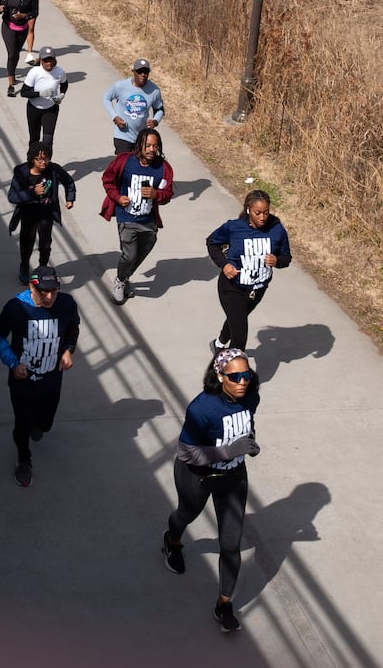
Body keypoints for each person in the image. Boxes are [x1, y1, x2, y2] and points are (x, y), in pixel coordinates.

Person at [163, 349, 261, 633]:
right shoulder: (202, 408)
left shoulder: (251, 396)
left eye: (247, 375)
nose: (243, 381)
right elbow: (186, 452)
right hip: (197, 476)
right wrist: (229, 450)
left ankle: (224, 603)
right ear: (220, 376)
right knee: (186, 515)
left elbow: (245, 424)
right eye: (235, 377)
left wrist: (249, 443)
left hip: (233, 477)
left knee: (231, 543)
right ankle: (173, 541)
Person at [0, 266, 79, 488]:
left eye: (54, 291)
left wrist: (68, 350)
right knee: (22, 423)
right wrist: (12, 363)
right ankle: (23, 459)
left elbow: (73, 329)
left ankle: (37, 425)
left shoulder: (67, 304)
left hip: (52, 380)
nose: (49, 297)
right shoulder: (16, 307)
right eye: (44, 292)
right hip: (22, 383)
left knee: (44, 425)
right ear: (32, 287)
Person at [206, 190, 292, 353]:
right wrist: (224, 265)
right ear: (248, 209)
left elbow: (286, 257)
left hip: (257, 290)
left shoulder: (277, 229)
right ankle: (231, 374)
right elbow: (212, 242)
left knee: (237, 320)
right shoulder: (234, 227)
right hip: (232, 287)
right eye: (257, 213)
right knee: (240, 335)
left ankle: (219, 344)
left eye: (266, 212)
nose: (262, 217)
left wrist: (277, 261)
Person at [100, 128, 174, 305]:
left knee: (144, 250)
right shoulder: (124, 161)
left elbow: (167, 194)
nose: (151, 149)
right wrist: (117, 197)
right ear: (139, 145)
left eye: (154, 146)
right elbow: (107, 179)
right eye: (147, 145)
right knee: (129, 255)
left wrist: (156, 194)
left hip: (148, 220)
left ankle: (124, 278)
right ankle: (119, 281)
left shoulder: (163, 168)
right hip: (126, 217)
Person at [8, 142, 76, 285]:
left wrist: (70, 198)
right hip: (28, 214)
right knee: (27, 242)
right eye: (39, 159)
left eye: (46, 158)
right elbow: (12, 196)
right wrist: (33, 193)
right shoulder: (22, 173)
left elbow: (69, 181)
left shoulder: (54, 170)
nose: (43, 162)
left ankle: (42, 268)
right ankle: (24, 265)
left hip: (46, 214)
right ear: (32, 159)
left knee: (45, 244)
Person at [102, 58, 165, 154]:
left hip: (141, 137)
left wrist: (156, 120)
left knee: (140, 166)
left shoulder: (154, 90)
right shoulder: (121, 86)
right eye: (140, 71)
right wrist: (114, 117)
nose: (143, 75)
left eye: (146, 72)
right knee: (124, 165)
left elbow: (159, 109)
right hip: (122, 136)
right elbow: (106, 98)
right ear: (134, 72)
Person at [20, 46, 68, 154]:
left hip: (50, 109)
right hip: (34, 109)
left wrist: (61, 95)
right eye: (46, 60)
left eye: (51, 59)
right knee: (34, 140)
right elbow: (24, 92)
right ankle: (31, 165)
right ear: (41, 60)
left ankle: (47, 166)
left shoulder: (60, 72)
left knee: (48, 141)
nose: (49, 63)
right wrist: (40, 94)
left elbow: (64, 85)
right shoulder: (35, 72)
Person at [0, 0, 38, 97]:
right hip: (8, 26)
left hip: (22, 29)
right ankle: (10, 85)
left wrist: (24, 15)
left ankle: (13, 74)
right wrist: (0, 8)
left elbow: (35, 12)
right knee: (11, 54)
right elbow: (1, 5)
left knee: (16, 54)